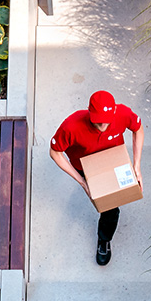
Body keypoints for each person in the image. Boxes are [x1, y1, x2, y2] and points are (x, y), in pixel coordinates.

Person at [49, 90, 144, 266]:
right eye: (98, 120)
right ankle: (104, 238)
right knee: (104, 203)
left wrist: (136, 166)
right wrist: (82, 181)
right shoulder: (71, 125)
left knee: (110, 208)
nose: (102, 125)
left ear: (114, 112)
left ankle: (104, 239)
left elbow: (138, 129)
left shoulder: (123, 113)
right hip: (86, 166)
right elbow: (55, 152)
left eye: (106, 120)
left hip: (113, 160)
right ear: (89, 112)